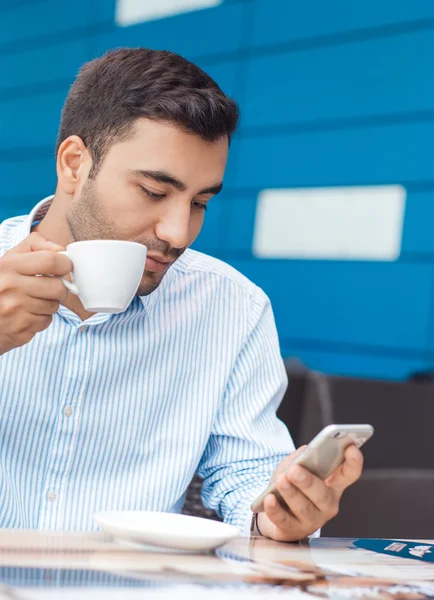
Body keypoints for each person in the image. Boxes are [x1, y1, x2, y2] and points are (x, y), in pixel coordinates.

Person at [0, 48, 363, 541]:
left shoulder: (233, 308)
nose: (178, 232)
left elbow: (246, 477)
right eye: (153, 191)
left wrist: (276, 514)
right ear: (73, 164)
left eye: (200, 203)